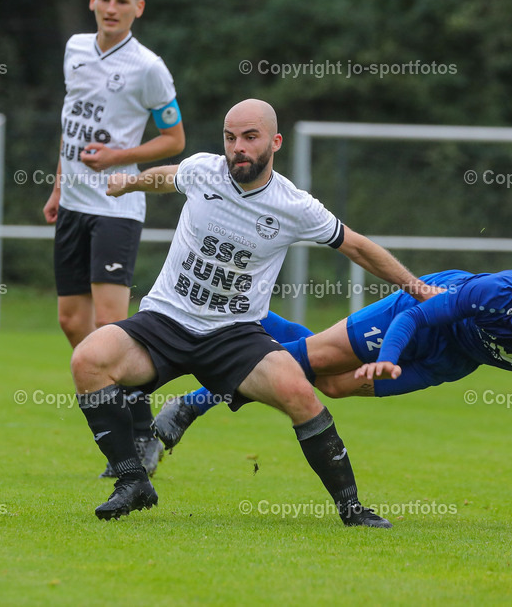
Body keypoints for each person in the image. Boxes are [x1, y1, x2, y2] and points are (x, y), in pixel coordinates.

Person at [70, 98, 442, 527]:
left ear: (274, 142)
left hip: (234, 335)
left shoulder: (294, 206)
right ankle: (132, 482)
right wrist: (130, 183)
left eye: (250, 137)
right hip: (165, 321)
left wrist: (416, 288)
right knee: (88, 360)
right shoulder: (203, 170)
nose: (238, 148)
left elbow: (356, 245)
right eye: (230, 138)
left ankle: (352, 509)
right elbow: (169, 176)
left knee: (301, 394)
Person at [155, 264, 512, 496]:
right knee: (306, 360)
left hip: (454, 361)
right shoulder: (488, 295)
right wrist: (387, 356)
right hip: (425, 312)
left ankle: (258, 321)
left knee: (333, 385)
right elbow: (413, 317)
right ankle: (190, 404)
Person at [43, 0, 185, 476]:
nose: (112, 8)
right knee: (71, 323)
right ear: (91, 0)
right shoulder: (75, 48)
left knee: (111, 326)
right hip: (75, 205)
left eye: (122, 1)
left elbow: (175, 140)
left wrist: (121, 156)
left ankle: (139, 432)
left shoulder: (149, 67)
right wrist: (60, 184)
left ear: (138, 8)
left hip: (117, 208)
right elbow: (69, 123)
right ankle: (122, 412)